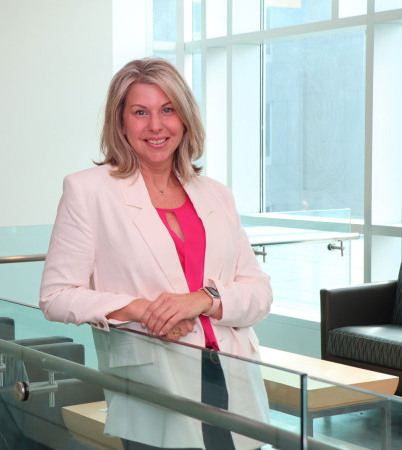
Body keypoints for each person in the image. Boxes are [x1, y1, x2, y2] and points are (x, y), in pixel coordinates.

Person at [40, 58, 271, 449]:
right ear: (120, 122)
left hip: (232, 375)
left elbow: (259, 292)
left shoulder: (216, 194)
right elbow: (56, 296)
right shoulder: (88, 191)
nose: (156, 126)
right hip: (154, 383)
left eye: (167, 110)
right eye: (140, 112)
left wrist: (205, 299)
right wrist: (139, 309)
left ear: (184, 117)